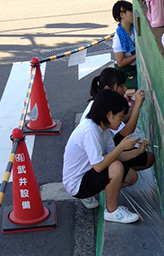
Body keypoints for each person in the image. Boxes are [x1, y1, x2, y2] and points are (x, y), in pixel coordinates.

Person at [62, 89, 149, 223]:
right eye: (120, 116)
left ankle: (98, 196)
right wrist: (121, 147)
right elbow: (99, 166)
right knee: (116, 167)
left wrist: (137, 151)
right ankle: (112, 211)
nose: (121, 121)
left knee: (131, 177)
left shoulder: (103, 128)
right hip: (77, 184)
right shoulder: (89, 130)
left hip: (87, 173)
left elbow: (114, 155)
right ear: (109, 115)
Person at [81, 67, 154, 172]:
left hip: (102, 153)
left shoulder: (101, 107)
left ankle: (121, 172)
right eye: (121, 86)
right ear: (107, 89)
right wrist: (136, 107)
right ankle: (120, 172)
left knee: (128, 167)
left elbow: (121, 121)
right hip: (92, 165)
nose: (125, 89)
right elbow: (126, 132)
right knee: (121, 168)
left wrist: (134, 107)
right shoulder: (92, 127)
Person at [112, 0, 137, 90]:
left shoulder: (134, 28)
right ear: (122, 15)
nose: (133, 13)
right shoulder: (118, 38)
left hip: (135, 68)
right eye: (131, 11)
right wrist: (137, 55)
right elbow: (120, 62)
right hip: (125, 74)